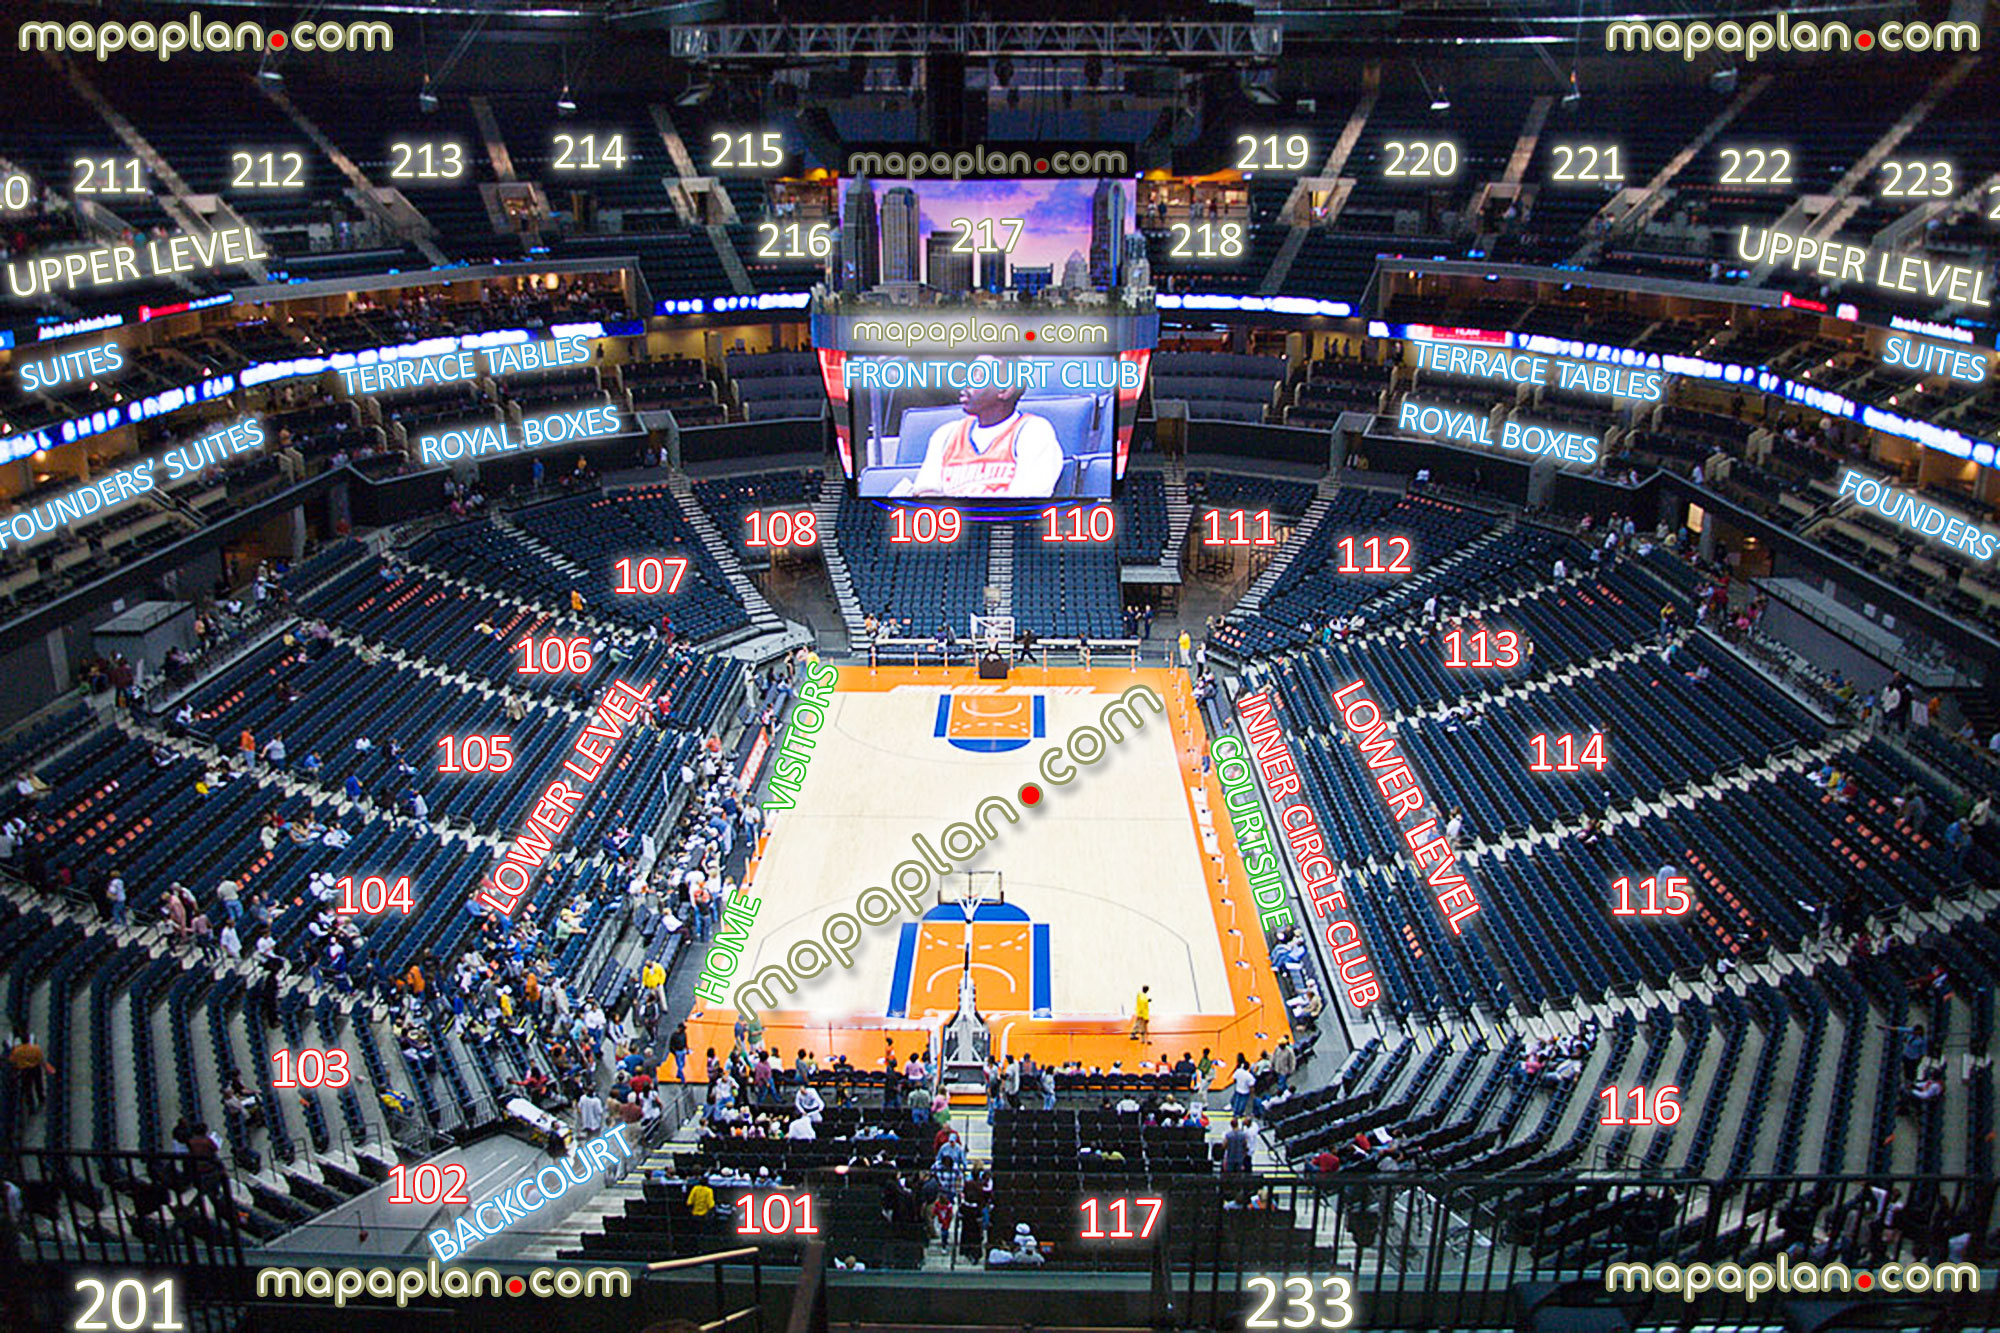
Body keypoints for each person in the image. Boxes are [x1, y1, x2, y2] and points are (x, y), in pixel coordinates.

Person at [892, 359, 1064, 499]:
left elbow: (1023, 504)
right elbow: (926, 495)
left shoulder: (1033, 432)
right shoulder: (945, 434)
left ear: (1004, 389)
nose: (966, 383)